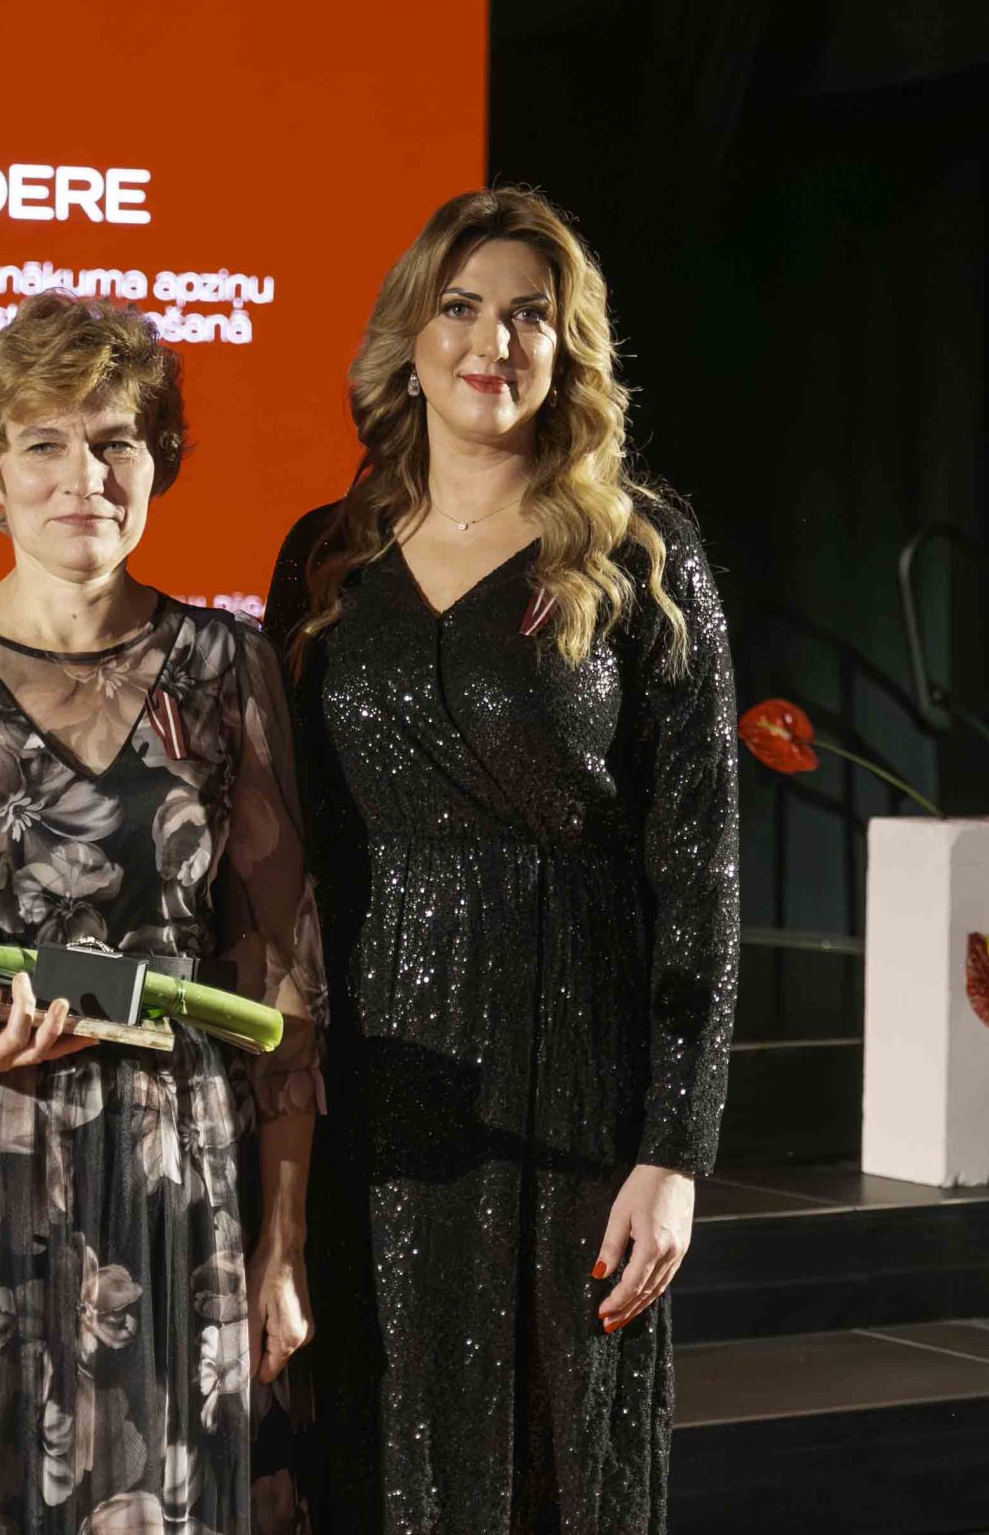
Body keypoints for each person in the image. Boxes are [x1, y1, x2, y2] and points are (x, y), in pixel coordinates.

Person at [0, 289, 326, 1535]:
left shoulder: (224, 669)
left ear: (158, 463)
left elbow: (282, 976)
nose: (84, 477)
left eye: (116, 442)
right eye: (45, 444)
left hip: (162, 1168)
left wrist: (283, 1240)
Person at [264, 188, 739, 1533]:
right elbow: (286, 838)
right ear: (409, 342)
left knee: (562, 1442)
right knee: (376, 1425)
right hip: (379, 1069)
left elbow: (699, 864)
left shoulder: (642, 549)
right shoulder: (326, 555)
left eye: (531, 313)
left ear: (566, 346)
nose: (495, 341)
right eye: (462, 308)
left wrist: (675, 1150)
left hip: (576, 1069)